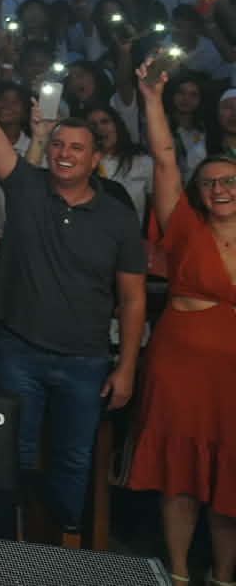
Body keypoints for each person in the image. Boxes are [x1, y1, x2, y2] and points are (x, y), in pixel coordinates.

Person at [0, 30, 146, 533]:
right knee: (17, 454)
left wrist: (127, 368)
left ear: (95, 158)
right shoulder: (26, 186)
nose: (64, 153)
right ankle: (13, 547)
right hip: (20, 349)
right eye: (57, 144)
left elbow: (133, 300)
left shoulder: (118, 217)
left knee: (74, 460)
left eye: (77, 147)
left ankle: (61, 554)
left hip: (86, 358)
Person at [129, 61, 236, 586]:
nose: (219, 188)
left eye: (229, 180)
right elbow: (166, 157)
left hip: (232, 378)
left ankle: (224, 577)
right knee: (182, 476)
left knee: (230, 478)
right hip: (181, 368)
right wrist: (152, 98)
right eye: (209, 182)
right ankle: (176, 576)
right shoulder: (185, 225)